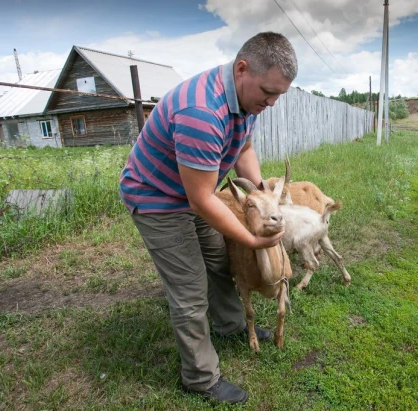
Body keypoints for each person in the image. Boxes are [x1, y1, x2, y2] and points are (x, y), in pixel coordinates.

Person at [119, 32, 297, 405]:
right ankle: (200, 377)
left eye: (279, 94)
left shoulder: (246, 103)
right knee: (188, 288)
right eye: (268, 91)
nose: (272, 101)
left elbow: (243, 145)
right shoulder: (201, 112)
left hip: (191, 191)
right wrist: (251, 240)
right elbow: (201, 200)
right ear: (242, 69)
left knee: (219, 260)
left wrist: (260, 191)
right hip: (157, 199)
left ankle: (231, 326)